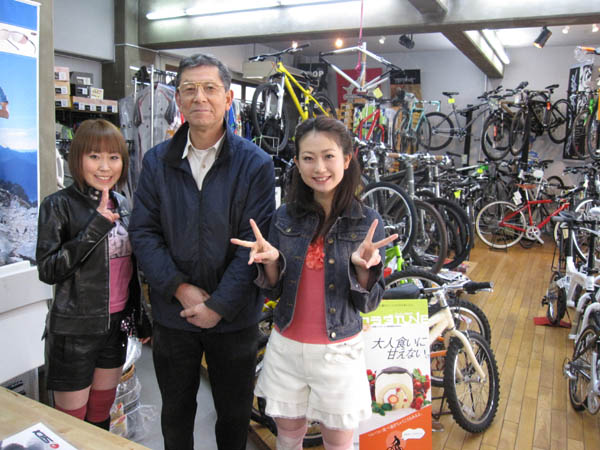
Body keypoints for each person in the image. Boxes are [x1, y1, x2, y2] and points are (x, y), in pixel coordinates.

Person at [128, 53, 275, 450]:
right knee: (175, 415)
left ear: (228, 98)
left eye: (210, 88)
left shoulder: (255, 164)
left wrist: (218, 305)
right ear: (178, 100)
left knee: (234, 417)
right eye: (189, 89)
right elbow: (143, 232)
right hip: (174, 315)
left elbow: (255, 242)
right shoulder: (156, 162)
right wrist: (180, 288)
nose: (200, 97)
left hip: (235, 318)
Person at [231, 116, 397, 450]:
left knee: (338, 440)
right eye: (308, 158)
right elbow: (274, 289)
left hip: (339, 351)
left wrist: (365, 269)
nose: (319, 168)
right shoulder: (284, 217)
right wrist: (270, 261)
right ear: (296, 162)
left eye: (328, 156)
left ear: (347, 159)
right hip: (287, 347)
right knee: (288, 435)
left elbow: (368, 303)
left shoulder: (368, 223)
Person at [36, 119, 151, 431]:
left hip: (115, 327)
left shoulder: (123, 203)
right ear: (77, 159)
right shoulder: (58, 205)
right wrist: (95, 228)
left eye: (113, 157)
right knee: (70, 424)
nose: (105, 167)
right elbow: (48, 269)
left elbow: (129, 269)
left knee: (101, 414)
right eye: (94, 156)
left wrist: (140, 315)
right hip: (75, 330)